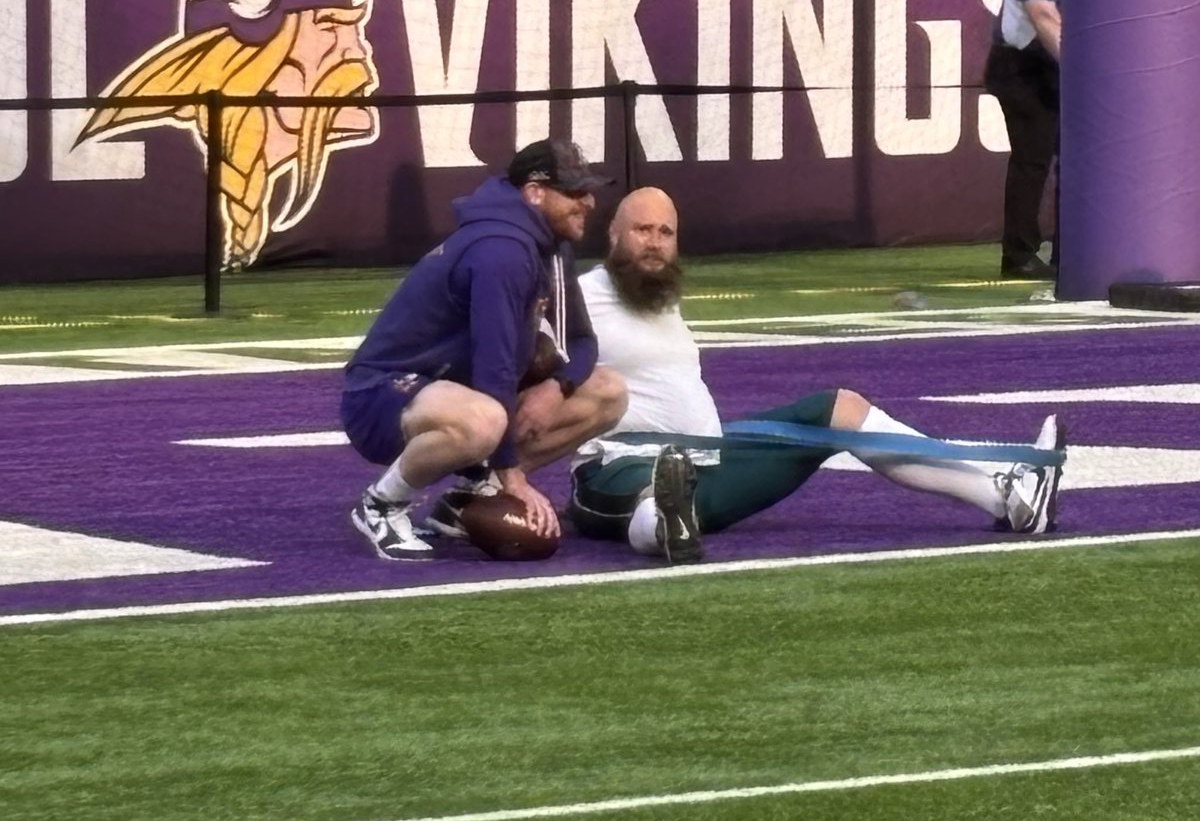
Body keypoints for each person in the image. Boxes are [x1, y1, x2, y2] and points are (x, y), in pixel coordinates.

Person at [564, 188, 1065, 565]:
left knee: (837, 408)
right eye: (641, 230)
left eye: (665, 233)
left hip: (708, 464)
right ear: (613, 234)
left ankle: (1010, 500)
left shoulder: (659, 294)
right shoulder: (578, 297)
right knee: (655, 489)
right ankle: (667, 529)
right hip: (615, 468)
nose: (653, 243)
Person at [341, 138, 628, 560]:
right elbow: (494, 366)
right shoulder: (501, 250)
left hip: (451, 387)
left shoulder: (548, 243)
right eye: (574, 192)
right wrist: (513, 477)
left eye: (587, 190)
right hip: (383, 392)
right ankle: (380, 505)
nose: (588, 201)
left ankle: (468, 496)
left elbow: (582, 342)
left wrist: (557, 388)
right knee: (486, 418)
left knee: (606, 391)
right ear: (534, 192)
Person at [983, 0, 1062, 281]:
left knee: (1080, 162)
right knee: (1033, 159)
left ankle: (1073, 250)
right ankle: (1018, 256)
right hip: (1022, 68)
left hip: (1057, 65)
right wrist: (1087, 74)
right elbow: (1043, 15)